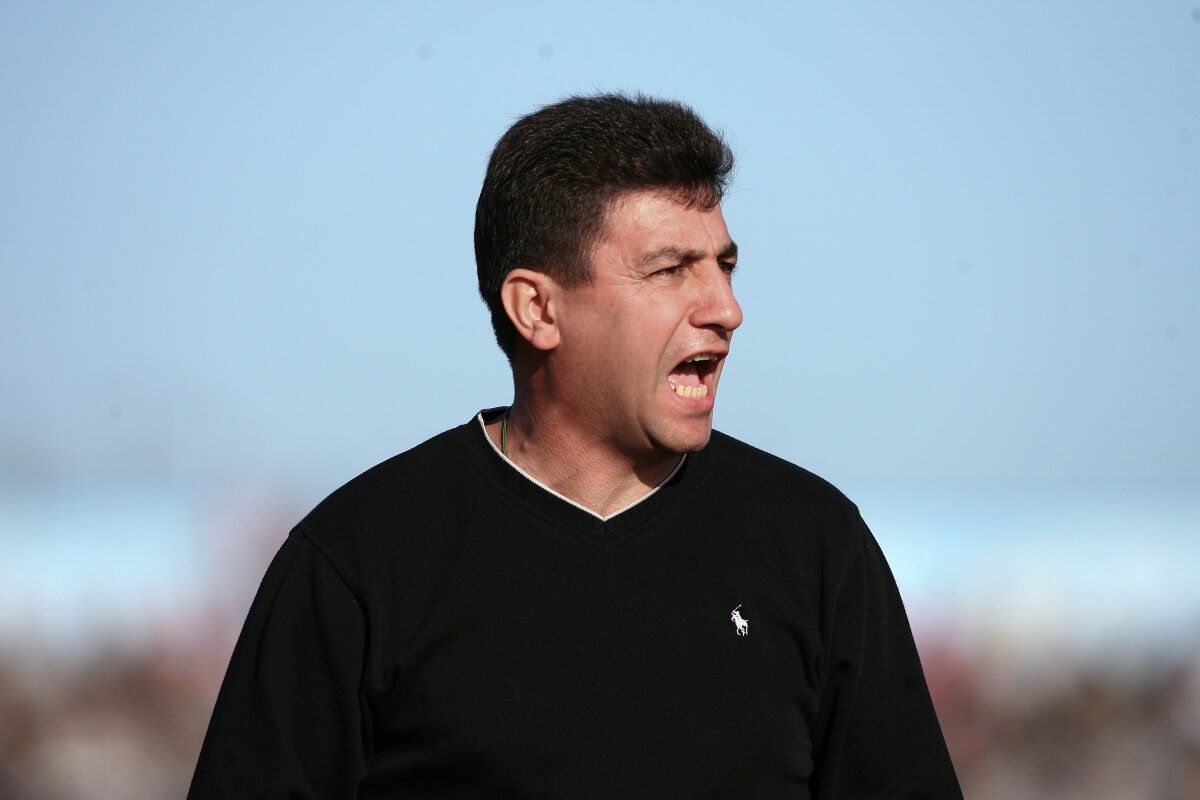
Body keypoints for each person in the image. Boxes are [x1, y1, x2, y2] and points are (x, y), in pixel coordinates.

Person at [188, 92, 962, 799]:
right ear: (537, 309)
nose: (726, 308)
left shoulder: (815, 546)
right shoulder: (358, 561)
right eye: (671, 270)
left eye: (724, 266)